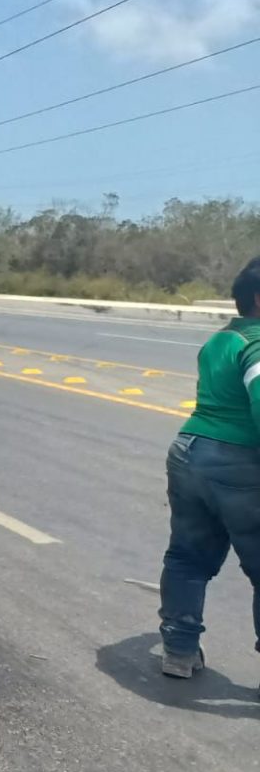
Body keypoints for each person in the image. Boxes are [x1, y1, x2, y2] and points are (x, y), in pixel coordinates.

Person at [156, 255, 260, 685]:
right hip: (235, 463)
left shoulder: (219, 340)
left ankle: (178, 651)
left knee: (187, 557)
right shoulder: (257, 343)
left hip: (188, 451)